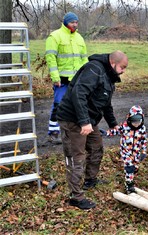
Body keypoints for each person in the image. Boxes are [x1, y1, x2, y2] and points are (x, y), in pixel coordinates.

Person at [56, 50, 128, 210]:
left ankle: (90, 179)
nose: (123, 71)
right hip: (72, 119)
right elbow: (78, 93)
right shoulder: (94, 69)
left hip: (87, 120)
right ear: (113, 63)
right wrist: (83, 122)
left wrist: (113, 124)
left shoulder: (108, 76)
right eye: (122, 67)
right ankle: (76, 196)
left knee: (96, 147)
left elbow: (106, 103)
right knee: (77, 156)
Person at [45, 12, 88, 144]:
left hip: (77, 79)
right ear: (65, 22)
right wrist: (55, 77)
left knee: (79, 104)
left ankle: (77, 130)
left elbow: (84, 58)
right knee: (58, 104)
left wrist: (86, 76)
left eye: (76, 22)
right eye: (72, 22)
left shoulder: (79, 38)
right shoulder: (55, 36)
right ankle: (53, 133)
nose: (75, 25)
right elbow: (51, 58)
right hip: (62, 80)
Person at [101, 105, 147, 194]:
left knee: (134, 167)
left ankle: (131, 173)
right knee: (129, 167)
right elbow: (117, 131)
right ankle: (129, 185)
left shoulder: (142, 129)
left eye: (138, 121)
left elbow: (143, 140)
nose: (136, 124)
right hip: (126, 152)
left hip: (136, 152)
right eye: (134, 121)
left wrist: (144, 151)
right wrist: (107, 133)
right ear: (129, 118)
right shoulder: (125, 126)